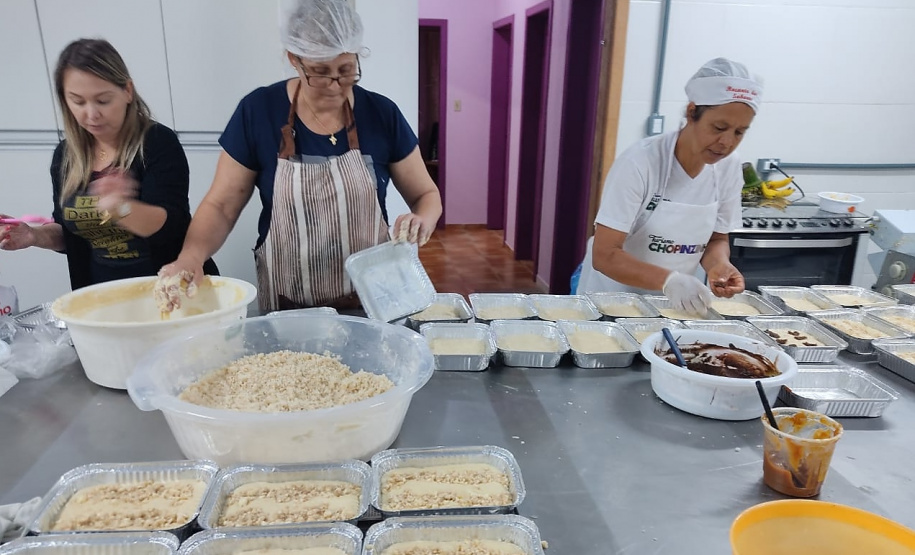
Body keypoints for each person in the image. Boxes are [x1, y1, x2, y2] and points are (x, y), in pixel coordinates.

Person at [157, 0, 442, 313]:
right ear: (294, 59)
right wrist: (191, 256)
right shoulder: (259, 111)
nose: (335, 86)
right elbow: (222, 206)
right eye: (320, 72)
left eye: (346, 70)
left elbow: (426, 195)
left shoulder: (381, 113)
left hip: (372, 301)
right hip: (289, 305)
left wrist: (422, 220)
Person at [0, 38, 217, 289]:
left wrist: (121, 208)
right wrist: (34, 236)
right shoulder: (65, 156)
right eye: (78, 102)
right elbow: (69, 233)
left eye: (102, 100)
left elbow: (169, 226)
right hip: (103, 293)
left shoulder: (157, 143)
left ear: (127, 91)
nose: (91, 114)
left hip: (169, 288)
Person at [577, 58, 763, 315]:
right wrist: (669, 281)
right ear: (691, 112)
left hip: (675, 306)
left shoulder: (728, 167)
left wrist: (718, 264)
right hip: (613, 303)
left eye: (740, 132)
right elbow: (605, 254)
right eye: (719, 127)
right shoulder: (641, 162)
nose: (727, 142)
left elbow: (717, 238)